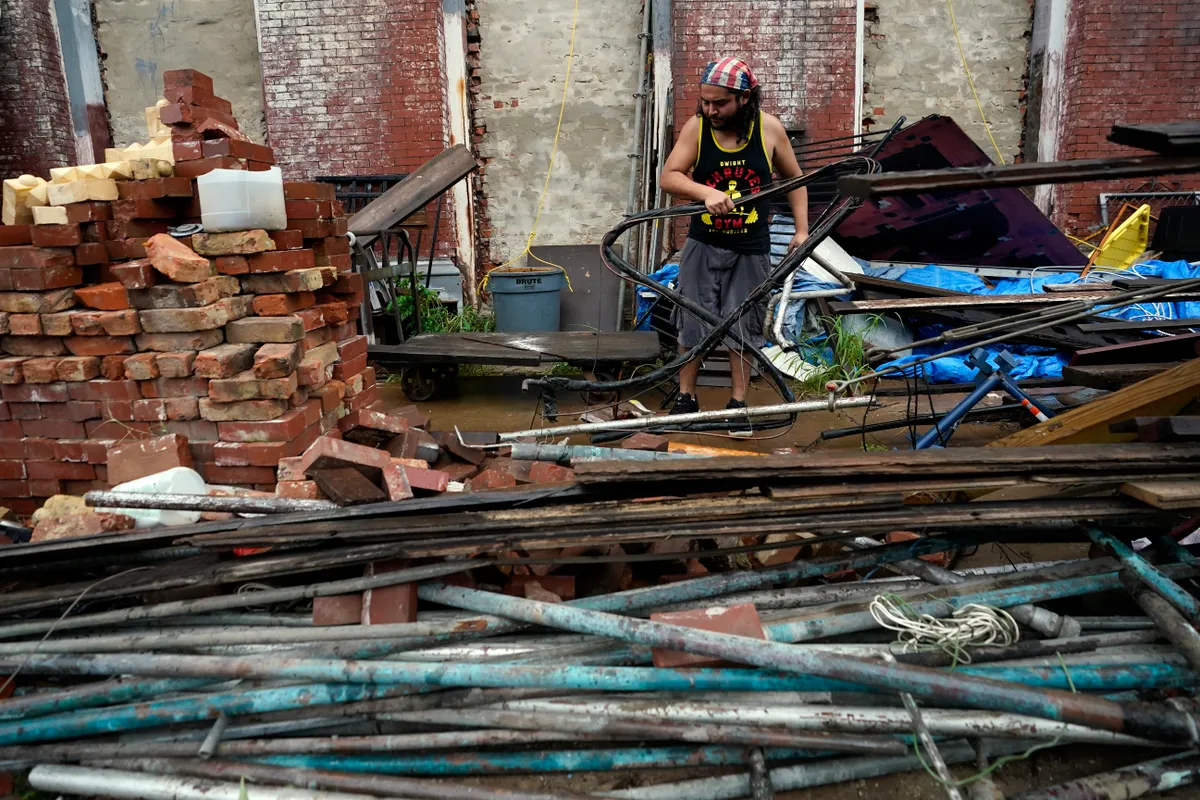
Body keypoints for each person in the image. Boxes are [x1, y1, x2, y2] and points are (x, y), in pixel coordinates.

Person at [659, 57, 808, 433]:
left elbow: (796, 179)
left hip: (751, 247)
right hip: (703, 243)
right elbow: (670, 177)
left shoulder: (769, 130)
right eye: (706, 102)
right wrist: (705, 192)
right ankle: (685, 397)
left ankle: (737, 404)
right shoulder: (697, 129)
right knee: (692, 319)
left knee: (745, 323)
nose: (711, 110)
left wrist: (802, 229)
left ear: (745, 98)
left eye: (720, 103)